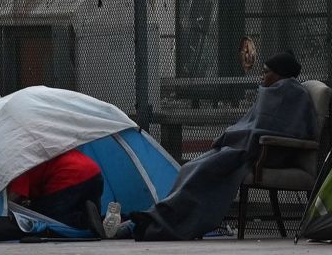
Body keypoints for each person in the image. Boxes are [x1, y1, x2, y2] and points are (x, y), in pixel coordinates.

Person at [128, 52, 318, 241]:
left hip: (262, 153)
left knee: (204, 170)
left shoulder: (289, 93)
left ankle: (162, 221)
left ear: (280, 74)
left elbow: (274, 129)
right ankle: (158, 216)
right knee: (189, 168)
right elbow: (254, 125)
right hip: (247, 147)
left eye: (266, 72)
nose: (262, 75)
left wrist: (231, 137)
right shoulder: (274, 91)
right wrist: (233, 137)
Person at [6, 146, 106, 234]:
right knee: (93, 217)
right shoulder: (38, 147)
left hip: (67, 175)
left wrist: (4, 212)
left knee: (46, 218)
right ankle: (108, 222)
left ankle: (85, 221)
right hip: (94, 171)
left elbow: (13, 196)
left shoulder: (17, 165)